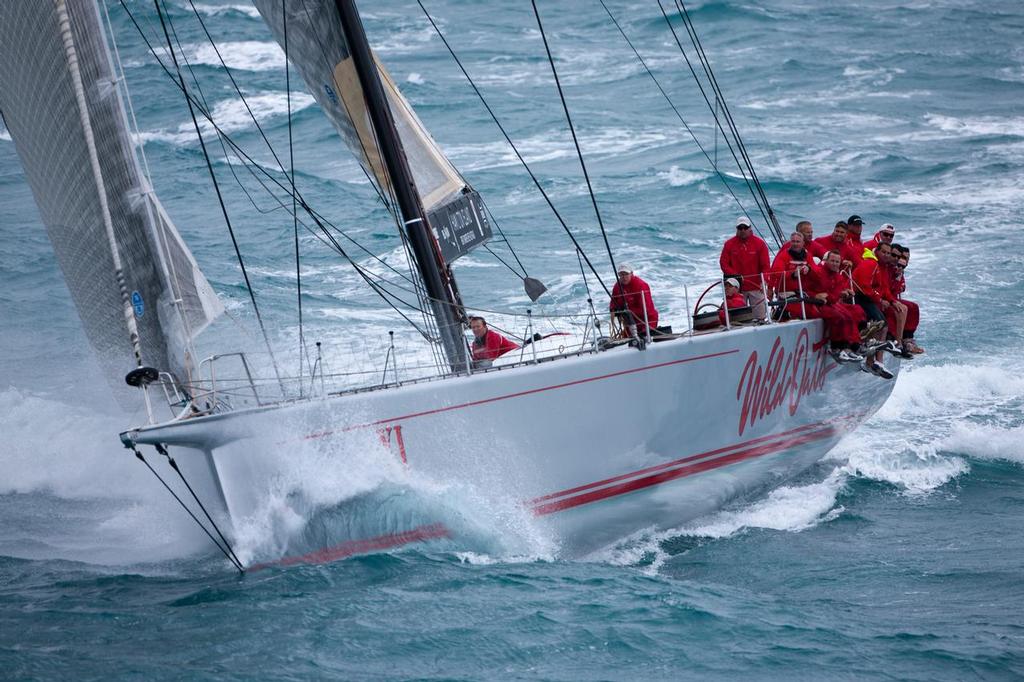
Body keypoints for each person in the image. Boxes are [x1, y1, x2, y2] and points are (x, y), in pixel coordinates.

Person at [852, 242, 900, 378]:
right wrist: (880, 299)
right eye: (883, 252)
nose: (886, 255)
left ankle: (877, 361)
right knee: (879, 325)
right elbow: (864, 287)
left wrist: (888, 300)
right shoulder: (871, 263)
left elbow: (880, 287)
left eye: (888, 253)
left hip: (867, 298)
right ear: (877, 251)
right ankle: (870, 361)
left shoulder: (878, 265)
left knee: (882, 325)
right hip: (860, 297)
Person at [808, 250, 867, 362]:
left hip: (831, 302)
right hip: (818, 304)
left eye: (837, 261)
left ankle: (854, 344)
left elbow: (835, 294)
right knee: (841, 317)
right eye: (832, 261)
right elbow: (809, 290)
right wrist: (816, 295)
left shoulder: (837, 275)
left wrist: (838, 294)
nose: (835, 263)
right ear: (826, 261)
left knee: (856, 312)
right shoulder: (818, 273)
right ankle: (837, 347)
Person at [719, 216, 770, 319]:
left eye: (745, 228)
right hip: (737, 289)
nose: (742, 230)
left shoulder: (760, 244)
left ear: (750, 228)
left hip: (755, 287)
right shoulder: (729, 244)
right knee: (736, 319)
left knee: (760, 317)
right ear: (737, 229)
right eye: (740, 228)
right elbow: (723, 264)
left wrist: (764, 281)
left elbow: (765, 266)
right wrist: (736, 276)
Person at [770, 231, 821, 319]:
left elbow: (817, 273)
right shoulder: (783, 256)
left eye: (797, 242)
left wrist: (809, 269)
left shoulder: (807, 255)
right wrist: (793, 274)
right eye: (793, 241)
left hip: (803, 292)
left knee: (814, 311)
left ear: (803, 243)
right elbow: (776, 273)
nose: (795, 244)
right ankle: (781, 313)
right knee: (799, 310)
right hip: (786, 292)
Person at [609, 263, 659, 340]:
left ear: (632, 273)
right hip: (630, 322)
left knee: (645, 339)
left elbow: (646, 309)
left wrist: (627, 311)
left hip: (647, 320)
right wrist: (613, 310)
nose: (623, 277)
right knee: (625, 342)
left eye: (626, 274)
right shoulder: (617, 286)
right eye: (621, 275)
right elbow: (613, 301)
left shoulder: (641, 285)